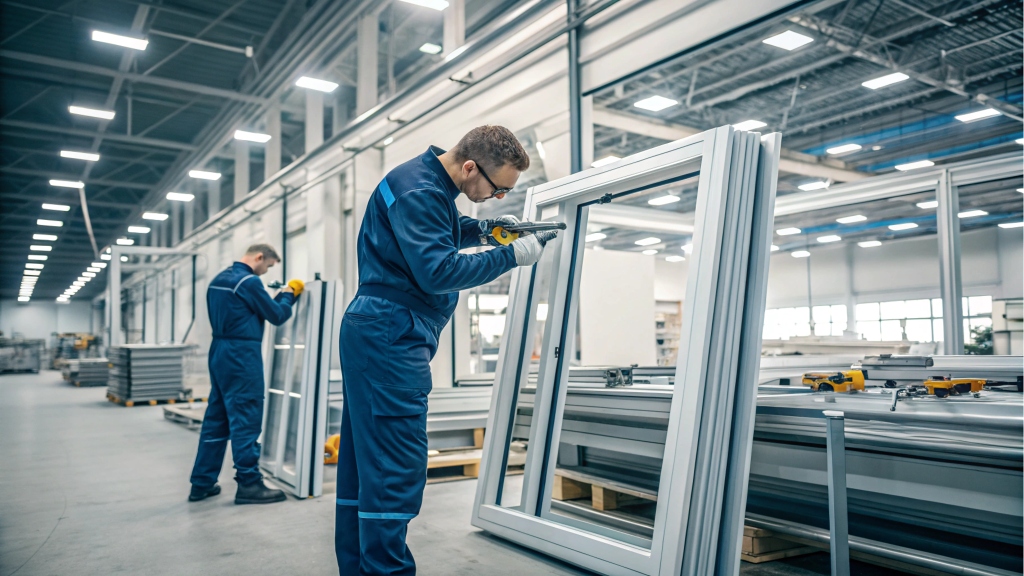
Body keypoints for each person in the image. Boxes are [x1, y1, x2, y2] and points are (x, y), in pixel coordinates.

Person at [335, 126, 559, 574]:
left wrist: (487, 230)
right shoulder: (420, 190)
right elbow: (437, 271)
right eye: (498, 190)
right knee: (395, 466)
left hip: (381, 330)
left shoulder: (423, 182)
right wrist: (512, 256)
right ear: (470, 167)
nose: (497, 198)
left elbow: (442, 229)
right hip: (390, 334)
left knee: (367, 464)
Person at [188, 244, 305, 505]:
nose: (265, 272)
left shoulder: (220, 280)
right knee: (246, 417)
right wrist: (289, 294)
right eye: (268, 266)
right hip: (241, 355)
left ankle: (201, 483)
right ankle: (249, 483)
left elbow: (253, 310)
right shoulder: (248, 282)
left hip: (219, 351)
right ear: (259, 257)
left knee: (216, 419)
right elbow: (276, 315)